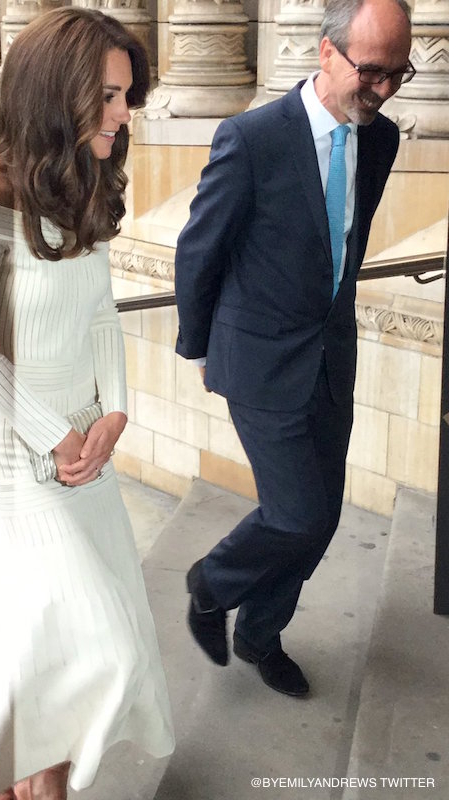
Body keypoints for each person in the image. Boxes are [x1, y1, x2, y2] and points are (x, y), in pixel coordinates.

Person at [0, 8, 174, 799]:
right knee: (103, 646)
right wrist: (55, 438)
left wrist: (115, 414)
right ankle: (13, 755)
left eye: (127, 94)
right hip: (17, 455)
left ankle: (23, 771)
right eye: (110, 95)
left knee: (38, 644)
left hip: (86, 446)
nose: (124, 112)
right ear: (57, 91)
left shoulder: (87, 178)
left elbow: (102, 311)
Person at [175, 0, 413, 697]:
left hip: (330, 357)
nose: (384, 89)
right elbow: (200, 250)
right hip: (257, 360)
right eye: (372, 72)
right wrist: (200, 348)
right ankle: (211, 583)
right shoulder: (251, 138)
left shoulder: (382, 137)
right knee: (296, 513)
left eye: (398, 73)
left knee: (323, 517)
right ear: (326, 52)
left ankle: (259, 634)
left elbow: (342, 240)